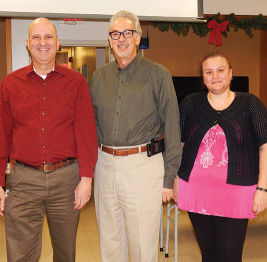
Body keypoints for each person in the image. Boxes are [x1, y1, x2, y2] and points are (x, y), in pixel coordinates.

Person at [0, 18, 98, 262]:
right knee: (20, 255)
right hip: (24, 181)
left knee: (65, 253)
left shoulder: (76, 83)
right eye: (36, 37)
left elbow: (86, 133)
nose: (42, 43)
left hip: (66, 180)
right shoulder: (10, 85)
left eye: (48, 37)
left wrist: (86, 179)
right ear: (28, 44)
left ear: (58, 43)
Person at [89, 10, 181, 262]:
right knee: (110, 242)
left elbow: (172, 126)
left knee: (142, 245)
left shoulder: (158, 74)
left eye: (127, 33)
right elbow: (91, 126)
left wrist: (169, 177)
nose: (121, 39)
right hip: (105, 165)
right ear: (109, 39)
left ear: (138, 38)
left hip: (143, 167)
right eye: (115, 33)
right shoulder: (98, 78)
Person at [174, 52, 267, 262]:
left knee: (229, 255)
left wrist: (262, 188)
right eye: (208, 72)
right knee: (209, 255)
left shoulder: (250, 104)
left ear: (231, 73)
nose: (215, 76)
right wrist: (175, 180)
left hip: (237, 192)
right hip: (196, 189)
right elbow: (179, 145)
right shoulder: (190, 104)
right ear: (202, 78)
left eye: (220, 70)